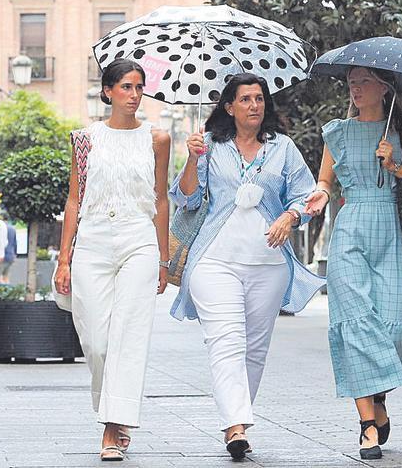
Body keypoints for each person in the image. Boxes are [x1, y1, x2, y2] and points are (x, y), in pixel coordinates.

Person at [169, 73, 323, 459]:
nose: (254, 105)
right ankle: (235, 426)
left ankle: (238, 418)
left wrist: (290, 217)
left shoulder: (283, 148)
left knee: (254, 349)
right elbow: (187, 199)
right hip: (214, 260)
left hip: (269, 264)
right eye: (245, 99)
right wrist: (192, 158)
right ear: (229, 107)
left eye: (259, 98)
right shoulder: (210, 146)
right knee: (226, 341)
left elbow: (306, 195)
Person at [303, 66, 402, 460]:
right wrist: (321, 194)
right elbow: (326, 180)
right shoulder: (337, 132)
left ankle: (377, 395)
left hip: (392, 231)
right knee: (354, 321)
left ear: (383, 86)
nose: (356, 89)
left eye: (363, 82)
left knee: (395, 322)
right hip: (351, 228)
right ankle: (366, 426)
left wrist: (395, 166)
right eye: (351, 83)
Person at [54, 59, 170, 462]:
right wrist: (64, 258)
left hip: (139, 238)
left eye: (139, 87)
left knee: (129, 334)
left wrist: (164, 258)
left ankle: (113, 425)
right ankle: (113, 411)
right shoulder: (85, 140)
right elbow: (74, 199)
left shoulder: (158, 138)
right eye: (125, 87)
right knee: (96, 339)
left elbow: (160, 199)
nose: (134, 95)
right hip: (94, 238)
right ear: (107, 92)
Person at [0, 211, 17, 283]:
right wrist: (14, 255)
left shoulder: (0, 228)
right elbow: (14, 243)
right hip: (10, 255)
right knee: (6, 276)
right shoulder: (12, 229)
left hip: (1, 256)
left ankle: (2, 292)